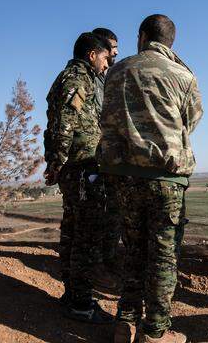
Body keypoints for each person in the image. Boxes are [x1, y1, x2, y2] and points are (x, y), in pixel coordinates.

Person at [97, 14, 203, 343]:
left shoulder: (117, 70)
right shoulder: (184, 75)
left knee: (132, 248)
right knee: (163, 253)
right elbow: (191, 120)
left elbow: (107, 117)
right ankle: (156, 332)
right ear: (171, 42)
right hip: (166, 178)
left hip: (123, 174)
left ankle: (125, 323)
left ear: (142, 36)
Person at [43, 32, 114, 323]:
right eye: (105, 56)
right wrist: (56, 162)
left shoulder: (72, 77)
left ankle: (73, 295)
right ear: (91, 55)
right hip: (83, 165)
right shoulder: (76, 79)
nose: (107, 62)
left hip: (79, 165)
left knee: (73, 231)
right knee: (86, 235)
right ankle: (82, 304)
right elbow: (64, 124)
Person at [91, 27, 122, 273]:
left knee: (114, 208)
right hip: (91, 154)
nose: (116, 52)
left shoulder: (115, 75)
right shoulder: (89, 77)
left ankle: (108, 256)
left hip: (111, 152)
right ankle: (95, 260)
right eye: (112, 47)